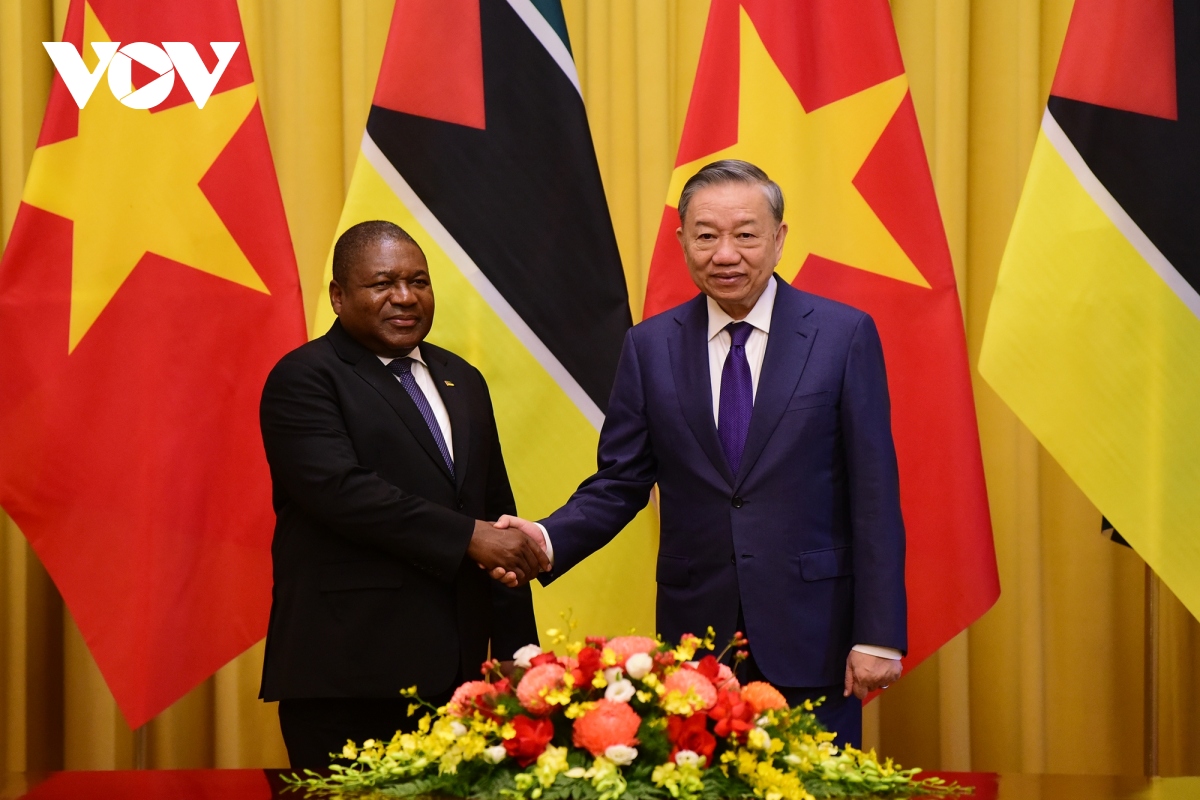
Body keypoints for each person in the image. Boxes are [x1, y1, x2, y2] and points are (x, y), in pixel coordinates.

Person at [499, 160, 905, 747]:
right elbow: (620, 481)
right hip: (697, 644)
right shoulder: (649, 346)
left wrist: (879, 633)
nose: (725, 254)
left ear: (779, 238)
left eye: (745, 234)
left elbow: (874, 495)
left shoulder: (842, 336)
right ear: (683, 241)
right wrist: (544, 539)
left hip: (814, 632)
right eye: (707, 235)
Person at [258, 220, 548, 768]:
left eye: (419, 281)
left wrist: (518, 652)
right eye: (383, 283)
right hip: (349, 679)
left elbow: (496, 519)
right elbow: (343, 493)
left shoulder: (463, 379)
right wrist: (469, 537)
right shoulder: (306, 377)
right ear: (338, 297)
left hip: (459, 684)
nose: (405, 297)